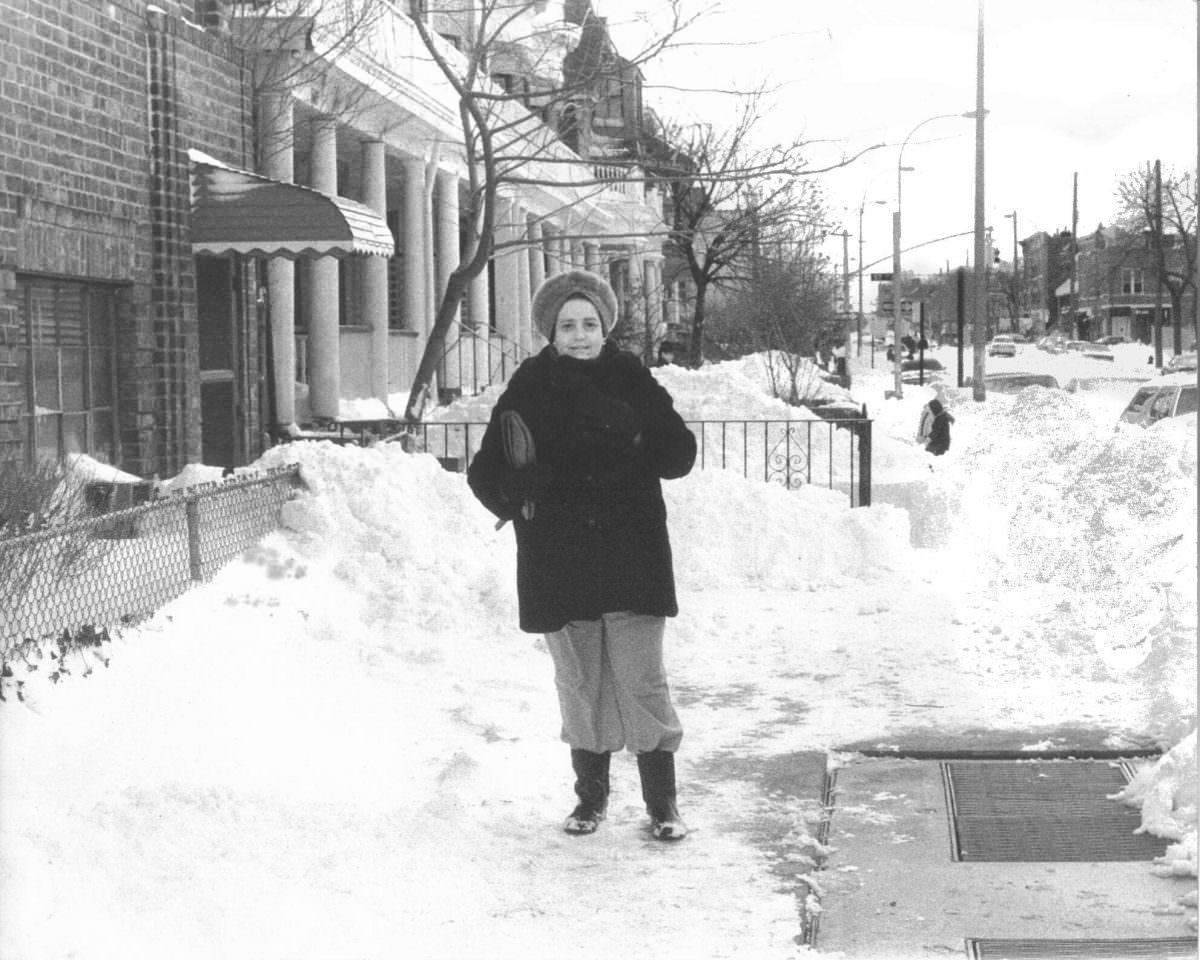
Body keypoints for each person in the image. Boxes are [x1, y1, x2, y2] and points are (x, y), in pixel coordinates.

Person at [467, 270, 697, 841]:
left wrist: (637, 426)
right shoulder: (527, 386)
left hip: (631, 556)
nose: (579, 335)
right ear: (550, 331)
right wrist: (516, 495)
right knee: (580, 683)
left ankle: (662, 804)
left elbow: (679, 456)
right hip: (559, 559)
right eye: (567, 325)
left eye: (589, 324)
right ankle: (589, 800)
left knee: (643, 682)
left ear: (605, 327)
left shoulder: (632, 379)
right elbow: (484, 472)